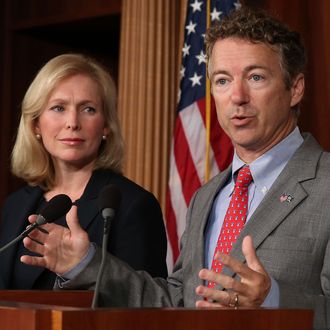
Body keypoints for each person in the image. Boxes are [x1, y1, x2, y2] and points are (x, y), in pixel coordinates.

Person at [20, 7, 330, 329]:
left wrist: (273, 300)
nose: (237, 96)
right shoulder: (207, 195)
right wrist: (84, 264)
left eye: (256, 77)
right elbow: (176, 302)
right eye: (222, 80)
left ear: (295, 88)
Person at [0, 53, 168, 289]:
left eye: (88, 109)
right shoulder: (15, 206)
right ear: (36, 124)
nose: (72, 122)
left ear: (106, 125)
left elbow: (147, 304)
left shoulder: (133, 205)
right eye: (58, 108)